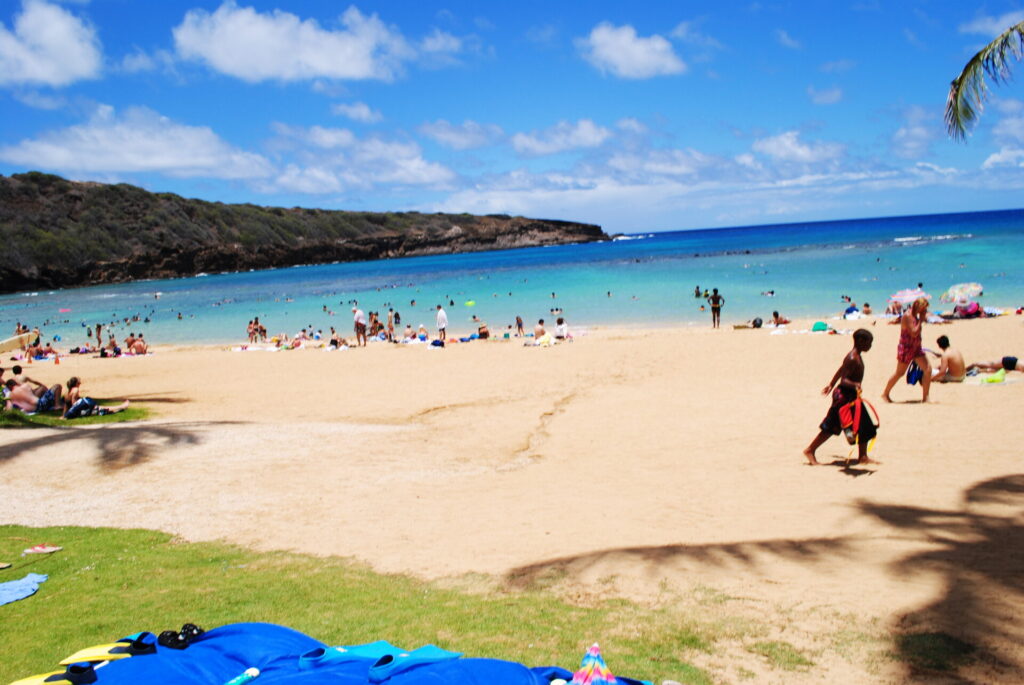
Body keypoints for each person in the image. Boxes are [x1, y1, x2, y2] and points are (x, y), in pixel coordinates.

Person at [804, 328, 878, 466]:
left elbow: (841, 369)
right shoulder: (852, 358)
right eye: (869, 343)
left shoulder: (856, 356)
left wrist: (831, 384)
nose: (870, 346)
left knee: (864, 424)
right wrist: (855, 384)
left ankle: (863, 456)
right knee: (832, 426)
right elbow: (844, 380)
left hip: (852, 396)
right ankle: (810, 450)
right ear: (860, 341)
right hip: (843, 397)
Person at [882, 297, 931, 403]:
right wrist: (921, 320)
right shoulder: (907, 316)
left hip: (916, 348)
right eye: (924, 309)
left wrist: (921, 319)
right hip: (906, 348)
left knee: (928, 369)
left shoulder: (915, 316)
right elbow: (914, 332)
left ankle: (926, 397)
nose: (925, 311)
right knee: (899, 373)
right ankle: (885, 393)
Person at [62, 377, 130, 419]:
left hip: (76, 412)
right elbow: (74, 404)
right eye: (79, 382)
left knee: (100, 409)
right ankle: (122, 406)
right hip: (79, 411)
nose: (80, 383)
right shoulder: (75, 390)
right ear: (76, 383)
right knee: (100, 408)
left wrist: (64, 415)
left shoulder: (66, 393)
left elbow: (66, 405)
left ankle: (120, 408)